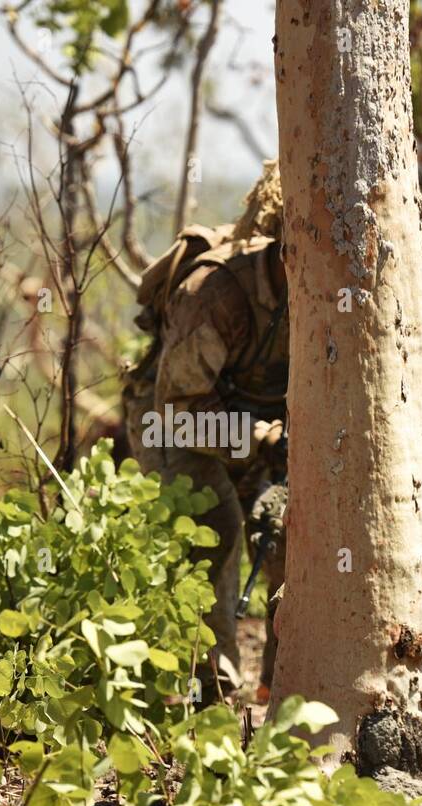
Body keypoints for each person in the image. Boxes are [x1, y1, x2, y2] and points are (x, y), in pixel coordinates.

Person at [122, 160, 289, 701]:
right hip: (173, 417)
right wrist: (256, 439)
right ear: (282, 243)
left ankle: (281, 687)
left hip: (261, 421)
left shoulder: (337, 286)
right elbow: (179, 410)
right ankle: (203, 682)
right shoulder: (214, 292)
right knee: (211, 518)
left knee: (290, 524)